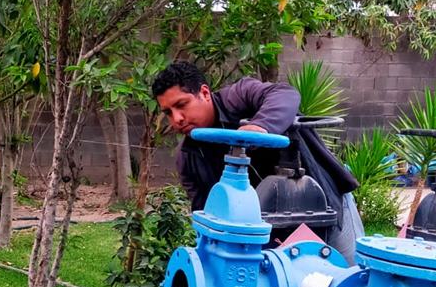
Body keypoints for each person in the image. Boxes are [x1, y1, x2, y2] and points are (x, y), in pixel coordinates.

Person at [151, 60, 362, 262]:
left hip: (324, 207)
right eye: (168, 112)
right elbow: (207, 215)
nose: (177, 119)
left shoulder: (238, 96)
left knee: (352, 274)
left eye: (182, 105)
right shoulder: (188, 157)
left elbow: (285, 94)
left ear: (205, 93)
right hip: (270, 230)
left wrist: (260, 126)